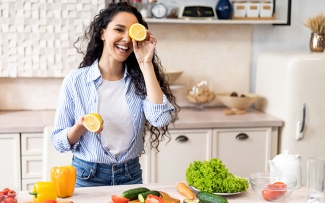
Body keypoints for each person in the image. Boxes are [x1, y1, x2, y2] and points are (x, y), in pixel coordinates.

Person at [51, 2, 180, 187]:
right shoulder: (75, 81)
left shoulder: (142, 80)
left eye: (132, 32)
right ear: (103, 33)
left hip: (130, 176)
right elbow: (58, 142)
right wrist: (79, 127)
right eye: (119, 29)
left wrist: (146, 64)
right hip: (87, 176)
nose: (126, 39)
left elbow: (160, 119)